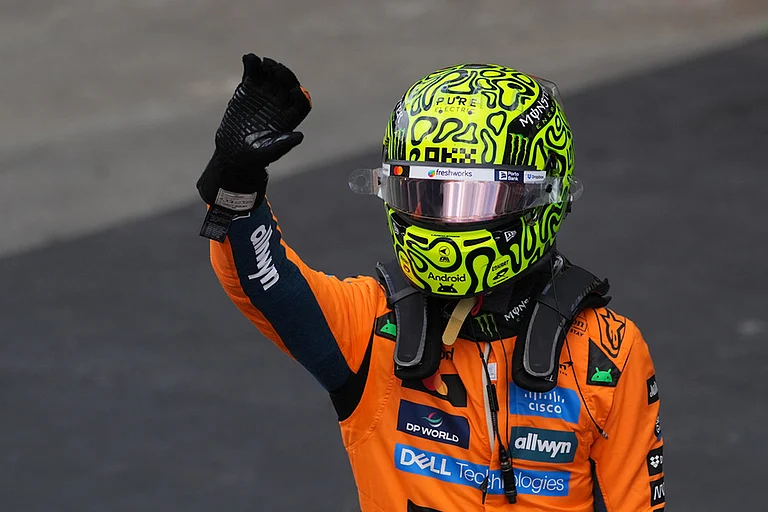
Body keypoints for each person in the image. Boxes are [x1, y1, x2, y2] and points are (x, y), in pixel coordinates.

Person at [196, 54, 665, 511]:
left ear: (544, 194)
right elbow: (265, 285)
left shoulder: (609, 349)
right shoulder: (374, 329)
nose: (444, 221)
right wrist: (236, 185)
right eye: (423, 194)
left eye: (469, 198)